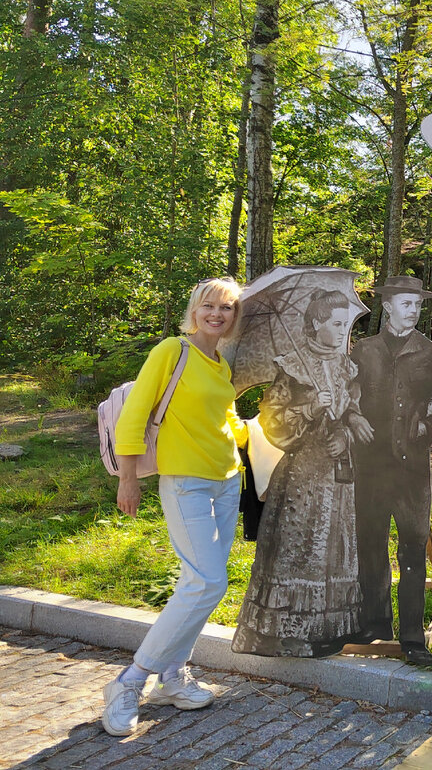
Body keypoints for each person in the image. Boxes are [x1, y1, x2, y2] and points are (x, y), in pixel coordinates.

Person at [103, 277, 246, 737]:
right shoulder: (173, 350)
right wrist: (128, 478)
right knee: (208, 580)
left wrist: (273, 424)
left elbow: (226, 423)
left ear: (233, 317)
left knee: (198, 583)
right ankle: (130, 682)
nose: (217, 314)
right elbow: (135, 413)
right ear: (195, 309)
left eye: (226, 308)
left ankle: (171, 676)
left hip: (227, 481)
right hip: (185, 483)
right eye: (209, 306)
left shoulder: (221, 362)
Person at [232, 289, 373, 657]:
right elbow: (271, 422)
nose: (345, 332)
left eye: (347, 324)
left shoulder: (347, 367)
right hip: (301, 479)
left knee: (333, 553)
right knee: (300, 552)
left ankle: (328, 631)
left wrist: (344, 434)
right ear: (315, 323)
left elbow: (353, 411)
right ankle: (286, 635)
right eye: (337, 324)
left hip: (337, 475)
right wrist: (310, 407)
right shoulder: (291, 365)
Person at [352, 276, 432, 665]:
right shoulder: (362, 352)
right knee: (370, 547)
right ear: (387, 307)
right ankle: (376, 626)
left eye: (417, 305)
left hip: (412, 470)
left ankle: (413, 638)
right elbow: (344, 399)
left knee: (413, 550)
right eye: (405, 304)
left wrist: (426, 428)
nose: (413, 312)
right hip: (368, 468)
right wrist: (352, 420)